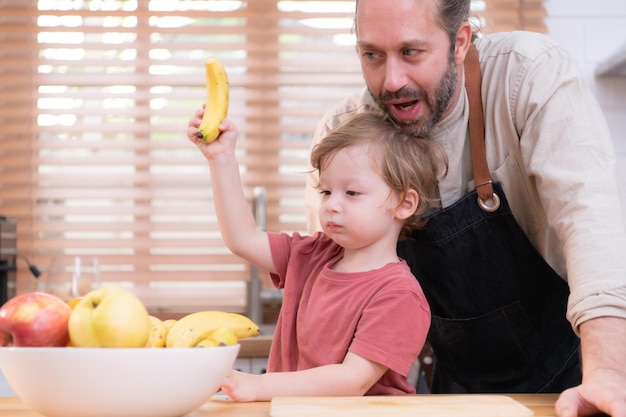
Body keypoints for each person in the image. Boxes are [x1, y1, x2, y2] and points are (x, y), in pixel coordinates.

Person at [304, 1, 626, 416]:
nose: (391, 81)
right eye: (372, 55)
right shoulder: (345, 131)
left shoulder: (527, 75)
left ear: (460, 41)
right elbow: (334, 285)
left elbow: (589, 220)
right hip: (452, 387)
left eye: (411, 52)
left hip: (573, 379)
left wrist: (609, 373)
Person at [187, 110, 445, 401]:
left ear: (404, 203)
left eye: (351, 192)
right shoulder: (311, 254)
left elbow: (351, 381)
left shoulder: (399, 295)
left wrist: (258, 386)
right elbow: (242, 239)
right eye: (325, 191)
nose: (332, 204)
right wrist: (221, 159)